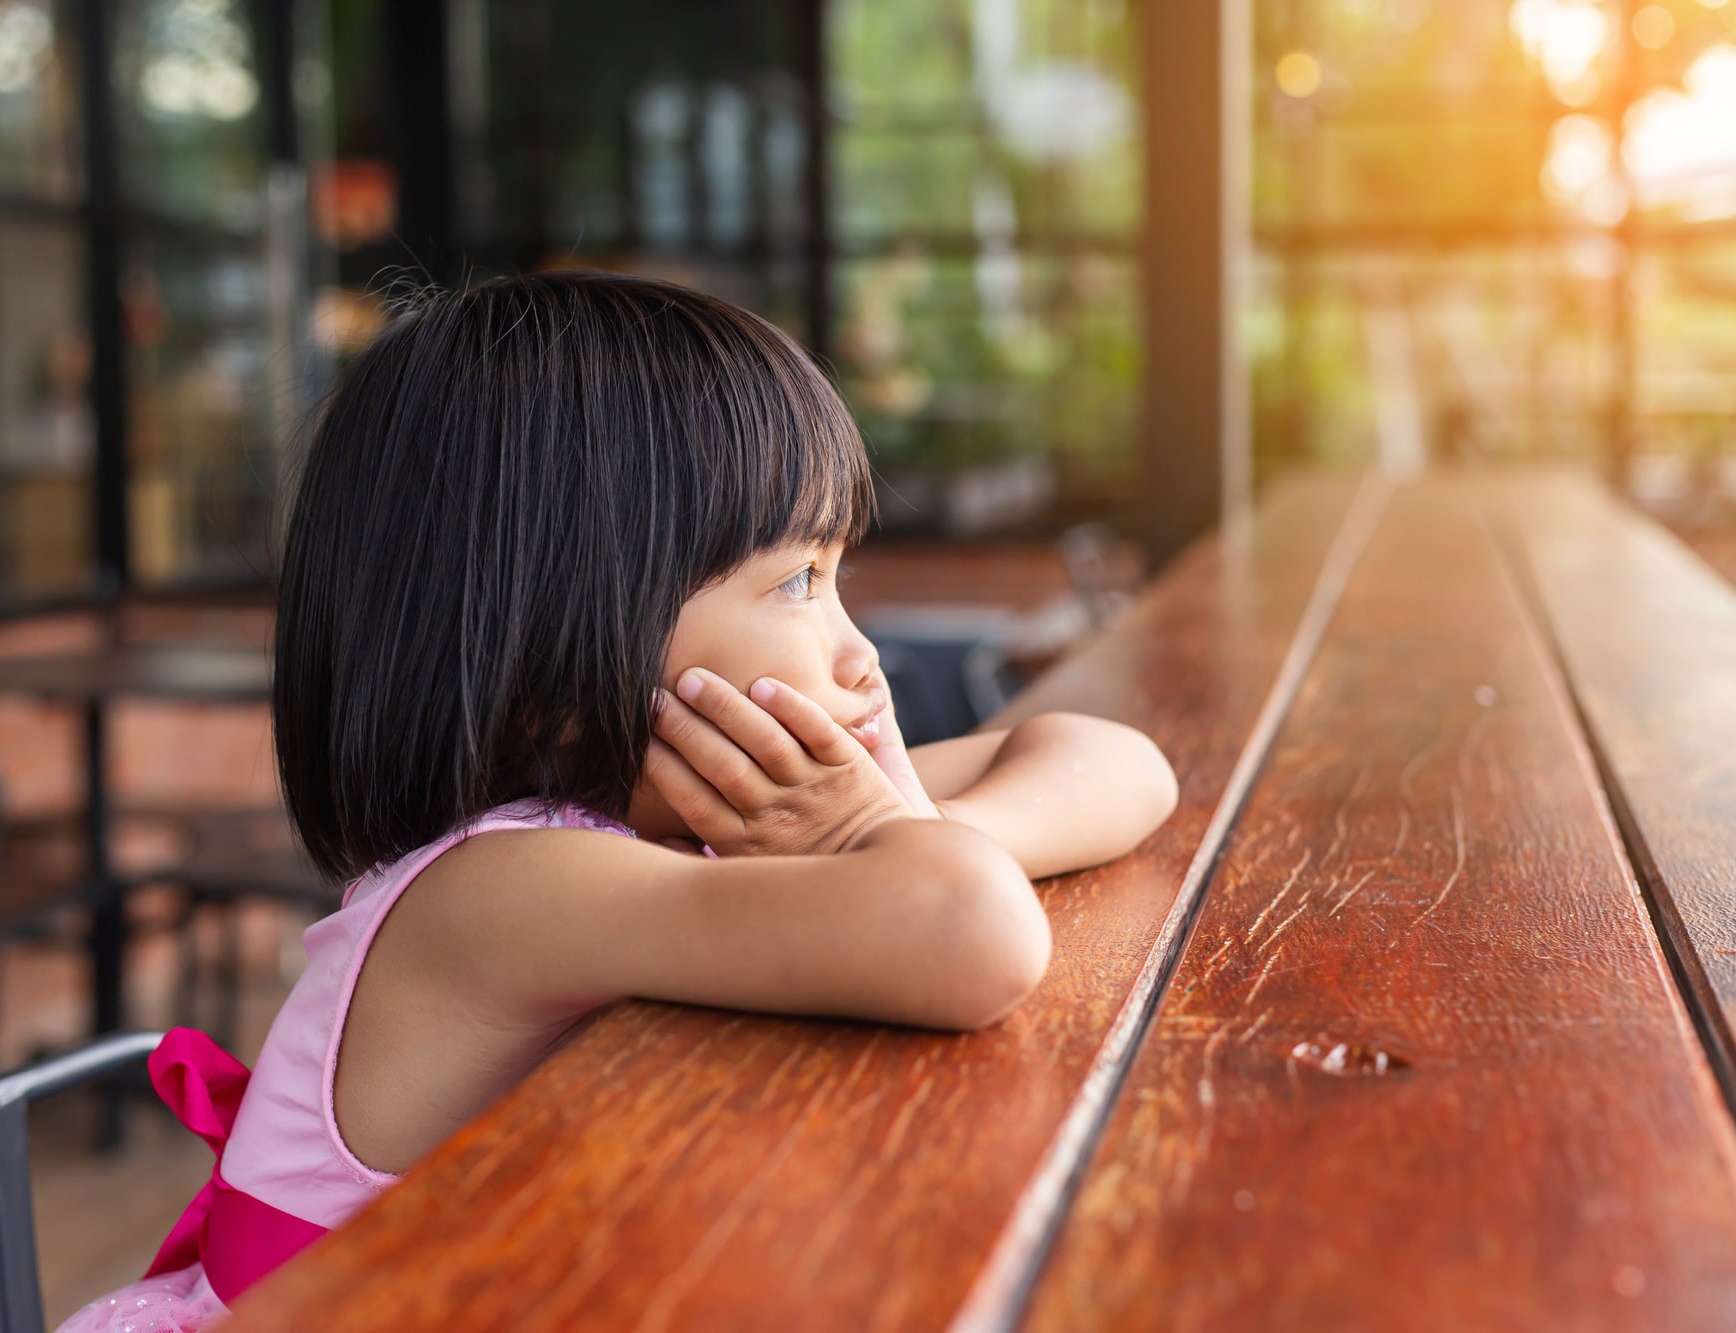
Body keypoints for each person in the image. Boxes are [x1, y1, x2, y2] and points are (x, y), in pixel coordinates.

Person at [57, 271, 1177, 1331]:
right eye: (796, 582)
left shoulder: (697, 818)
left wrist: (881, 848)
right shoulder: (505, 887)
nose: (858, 654)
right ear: (548, 671)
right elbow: (972, 934)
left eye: (837, 577)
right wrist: (870, 849)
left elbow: (1118, 762)